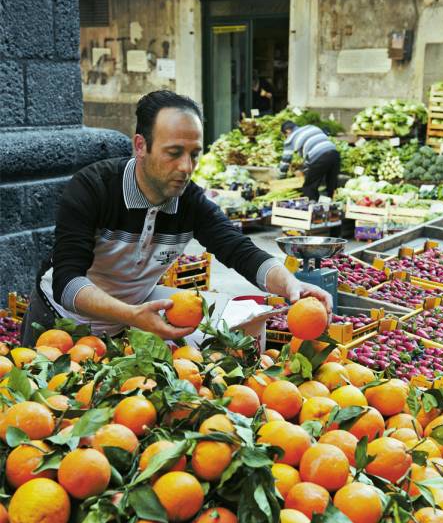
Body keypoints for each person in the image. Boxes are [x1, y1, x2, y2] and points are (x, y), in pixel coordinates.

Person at [21, 91, 332, 346]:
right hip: (58, 322)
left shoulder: (190, 201)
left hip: (125, 327)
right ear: (140, 146)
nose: (186, 166)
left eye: (195, 153)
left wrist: (292, 286)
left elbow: (239, 250)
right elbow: (67, 281)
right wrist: (130, 314)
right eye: (174, 152)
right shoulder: (93, 188)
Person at [279, 121, 340, 201]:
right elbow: (316, 145)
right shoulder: (311, 127)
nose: (286, 137)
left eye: (285, 135)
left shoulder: (291, 138)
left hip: (319, 157)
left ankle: (314, 209)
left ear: (287, 131)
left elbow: (285, 161)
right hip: (334, 154)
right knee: (331, 185)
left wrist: (281, 178)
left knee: (309, 187)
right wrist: (304, 169)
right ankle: (331, 207)